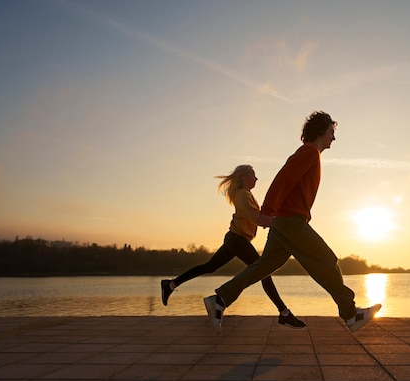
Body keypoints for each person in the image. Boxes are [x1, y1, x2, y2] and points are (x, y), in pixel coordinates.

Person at [204, 111, 381, 335]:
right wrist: (267, 210)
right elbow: (283, 178)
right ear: (320, 132)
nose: (333, 138)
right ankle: (351, 313)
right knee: (326, 259)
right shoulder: (309, 152)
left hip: (283, 222)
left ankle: (220, 300)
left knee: (263, 267)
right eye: (331, 132)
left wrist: (272, 214)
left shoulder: (309, 154)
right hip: (290, 221)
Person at [161, 165, 305, 329]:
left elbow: (257, 215)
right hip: (237, 240)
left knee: (210, 267)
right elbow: (254, 216)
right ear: (244, 176)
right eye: (253, 175)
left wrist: (273, 217)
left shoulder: (246, 194)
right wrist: (278, 224)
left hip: (235, 238)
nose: (256, 179)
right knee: (263, 271)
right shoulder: (242, 195)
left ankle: (170, 284)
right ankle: (284, 312)